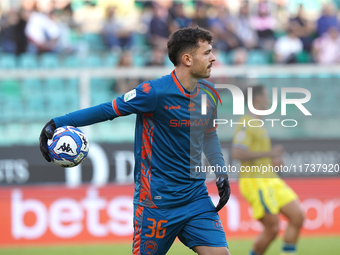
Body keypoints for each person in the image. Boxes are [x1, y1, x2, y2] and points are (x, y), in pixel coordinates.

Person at [39, 27, 231, 255]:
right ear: (187, 59)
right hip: (157, 203)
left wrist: (221, 172)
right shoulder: (154, 92)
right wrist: (57, 122)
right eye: (207, 52)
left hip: (195, 198)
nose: (213, 58)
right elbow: (107, 110)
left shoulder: (209, 94)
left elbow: (208, 135)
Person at [231, 85, 304, 255]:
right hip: (255, 183)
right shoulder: (245, 123)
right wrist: (270, 153)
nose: (268, 100)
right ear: (257, 100)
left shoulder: (258, 123)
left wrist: (271, 163)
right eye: (266, 97)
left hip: (271, 179)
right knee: (272, 228)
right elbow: (237, 152)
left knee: (297, 216)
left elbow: (257, 157)